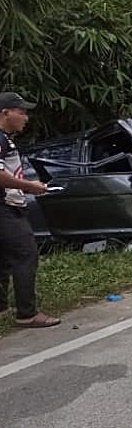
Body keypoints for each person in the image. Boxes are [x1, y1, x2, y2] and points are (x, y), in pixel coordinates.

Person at [0, 92, 60, 328]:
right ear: (5, 113)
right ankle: (27, 314)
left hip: (9, 205)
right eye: (21, 112)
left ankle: (2, 307)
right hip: (5, 207)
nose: (26, 118)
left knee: (3, 258)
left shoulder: (6, 139)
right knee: (26, 255)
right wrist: (30, 187)